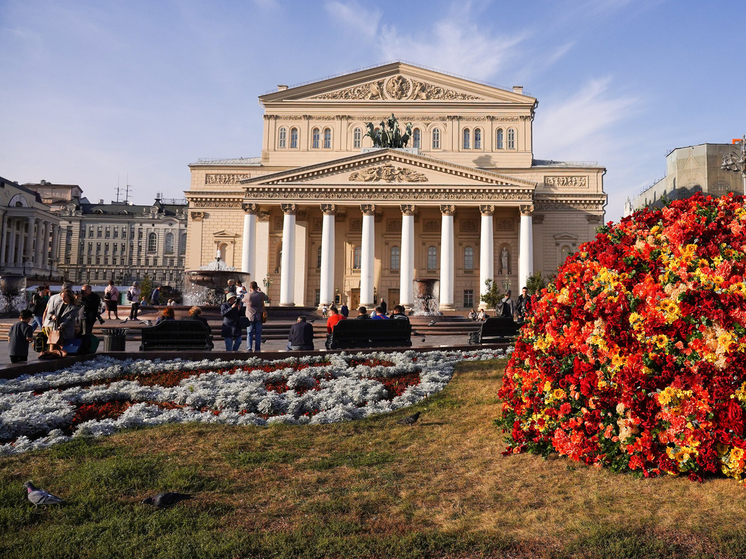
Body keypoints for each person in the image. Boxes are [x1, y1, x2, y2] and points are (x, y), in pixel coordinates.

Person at [245, 281, 265, 352]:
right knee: (258, 334)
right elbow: (267, 298)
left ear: (250, 287)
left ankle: (249, 348)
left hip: (250, 317)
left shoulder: (247, 295)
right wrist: (260, 292)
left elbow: (242, 300)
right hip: (259, 316)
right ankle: (257, 348)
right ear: (257, 287)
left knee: (249, 333)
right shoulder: (260, 295)